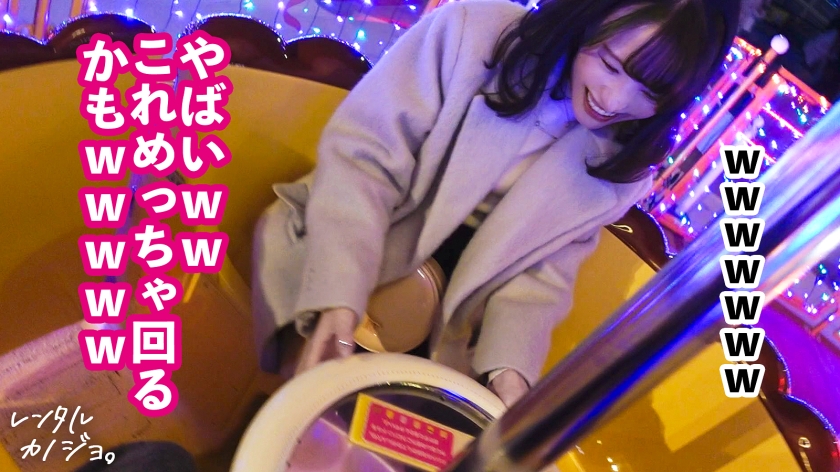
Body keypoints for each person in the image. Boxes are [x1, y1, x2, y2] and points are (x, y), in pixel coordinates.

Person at [252, 0, 740, 407]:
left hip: (447, 322)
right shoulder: (473, 31)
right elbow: (365, 162)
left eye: (649, 92)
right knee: (302, 400)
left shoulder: (622, 163)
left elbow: (539, 277)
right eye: (610, 64)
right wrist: (337, 297)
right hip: (342, 243)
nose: (613, 101)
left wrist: (510, 375)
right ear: (586, 18)